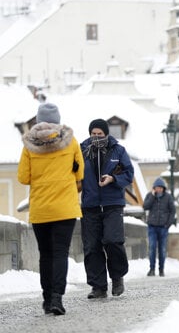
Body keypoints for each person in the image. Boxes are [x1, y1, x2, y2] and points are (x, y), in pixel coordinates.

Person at [17, 103, 84, 315]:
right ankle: (57, 298)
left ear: (38, 121)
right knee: (60, 253)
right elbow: (80, 173)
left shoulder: (29, 145)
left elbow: (22, 177)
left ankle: (47, 300)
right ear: (58, 119)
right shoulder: (70, 141)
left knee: (45, 254)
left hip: (41, 208)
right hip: (65, 208)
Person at [80, 118, 134, 299]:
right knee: (92, 247)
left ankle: (117, 277)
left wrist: (113, 179)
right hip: (90, 205)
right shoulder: (81, 151)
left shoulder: (118, 150)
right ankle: (98, 287)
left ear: (106, 134)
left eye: (100, 134)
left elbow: (129, 174)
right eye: (93, 134)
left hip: (112, 204)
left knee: (113, 240)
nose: (96, 137)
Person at [143, 177, 176, 277]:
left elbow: (173, 211)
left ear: (163, 188)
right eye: (157, 187)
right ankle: (152, 269)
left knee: (162, 250)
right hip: (152, 227)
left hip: (163, 228)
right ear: (154, 188)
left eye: (161, 188)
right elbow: (145, 206)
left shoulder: (168, 197)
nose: (159, 189)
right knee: (152, 248)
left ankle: (161, 270)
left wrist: (168, 224)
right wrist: (152, 197)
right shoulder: (150, 195)